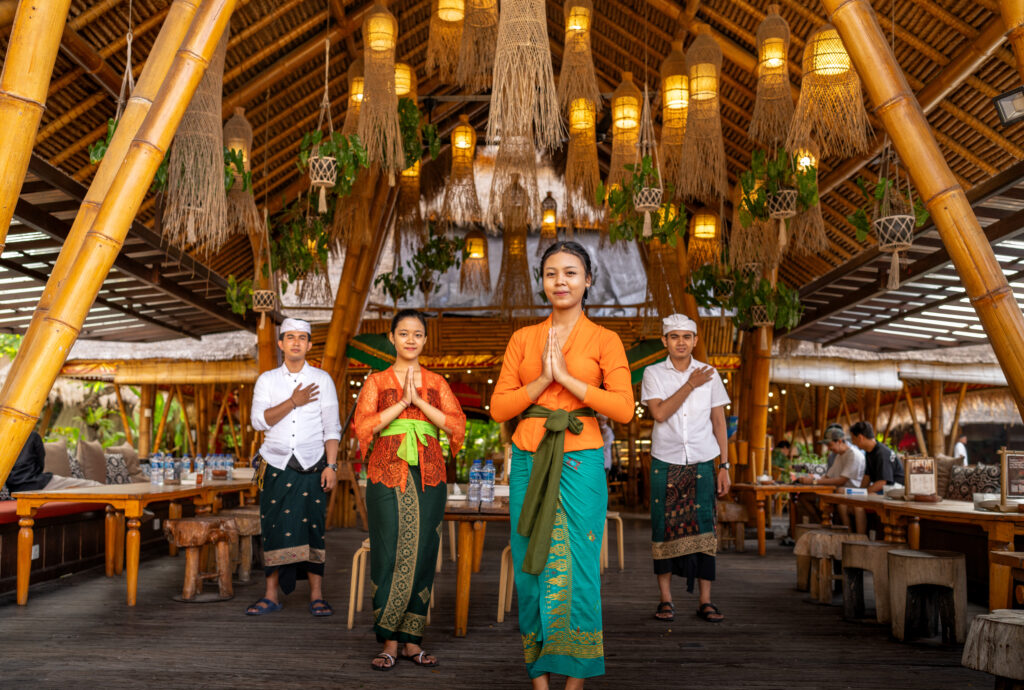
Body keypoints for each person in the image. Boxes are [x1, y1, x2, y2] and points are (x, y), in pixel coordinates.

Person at [491, 241, 634, 689]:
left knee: (579, 566)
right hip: (528, 457)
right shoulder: (523, 339)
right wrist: (542, 380)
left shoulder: (605, 340)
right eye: (552, 273)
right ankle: (539, 680)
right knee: (529, 567)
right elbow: (499, 408)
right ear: (543, 281)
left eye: (571, 273)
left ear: (588, 280)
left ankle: (574, 682)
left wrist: (568, 380)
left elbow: (624, 409)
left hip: (580, 459)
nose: (561, 281)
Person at [353, 309, 466, 671]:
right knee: (389, 551)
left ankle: (412, 640)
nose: (411, 340)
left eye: (417, 334)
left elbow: (456, 424)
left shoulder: (436, 382)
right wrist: (402, 403)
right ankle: (389, 640)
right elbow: (363, 427)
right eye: (404, 333)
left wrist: (420, 402)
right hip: (386, 472)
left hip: (429, 473)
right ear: (392, 338)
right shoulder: (376, 381)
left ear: (425, 340)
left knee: (423, 550)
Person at [247, 318, 340, 617]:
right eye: (290, 337)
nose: (296, 342)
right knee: (273, 528)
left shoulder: (323, 380)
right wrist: (293, 401)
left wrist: (331, 465)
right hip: (275, 465)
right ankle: (270, 595)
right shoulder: (267, 380)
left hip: (313, 466)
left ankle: (317, 596)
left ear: (310, 345)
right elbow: (258, 421)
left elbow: (332, 428)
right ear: (281, 343)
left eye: (302, 337)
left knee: (313, 529)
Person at [641, 314, 730, 624]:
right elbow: (660, 413)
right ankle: (666, 599)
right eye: (674, 336)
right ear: (665, 341)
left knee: (706, 529)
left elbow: (718, 421)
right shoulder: (653, 373)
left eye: (687, 336)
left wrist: (725, 465)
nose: (681, 342)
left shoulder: (711, 374)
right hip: (665, 461)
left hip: (703, 460)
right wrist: (691, 384)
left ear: (695, 341)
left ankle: (705, 600)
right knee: (663, 529)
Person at [795, 427, 865, 526]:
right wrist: (811, 479)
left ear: (839, 441)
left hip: (851, 492)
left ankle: (846, 530)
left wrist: (814, 481)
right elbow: (828, 477)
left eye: (830, 445)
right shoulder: (839, 455)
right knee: (803, 497)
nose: (828, 448)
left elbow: (841, 481)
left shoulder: (853, 455)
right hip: (838, 491)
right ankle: (821, 523)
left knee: (838, 500)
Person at [849, 421, 903, 533]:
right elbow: (867, 477)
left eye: (853, 439)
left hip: (895, 491)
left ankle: (860, 538)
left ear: (860, 438)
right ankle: (849, 534)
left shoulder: (882, 453)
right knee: (847, 504)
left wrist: (862, 494)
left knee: (859, 505)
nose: (852, 442)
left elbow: (882, 482)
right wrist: (857, 492)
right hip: (884, 490)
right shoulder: (870, 452)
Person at [4, 431, 102, 492]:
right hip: (38, 484)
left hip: (14, 488)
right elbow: (40, 464)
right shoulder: (32, 436)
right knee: (95, 486)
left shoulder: (3, 437)